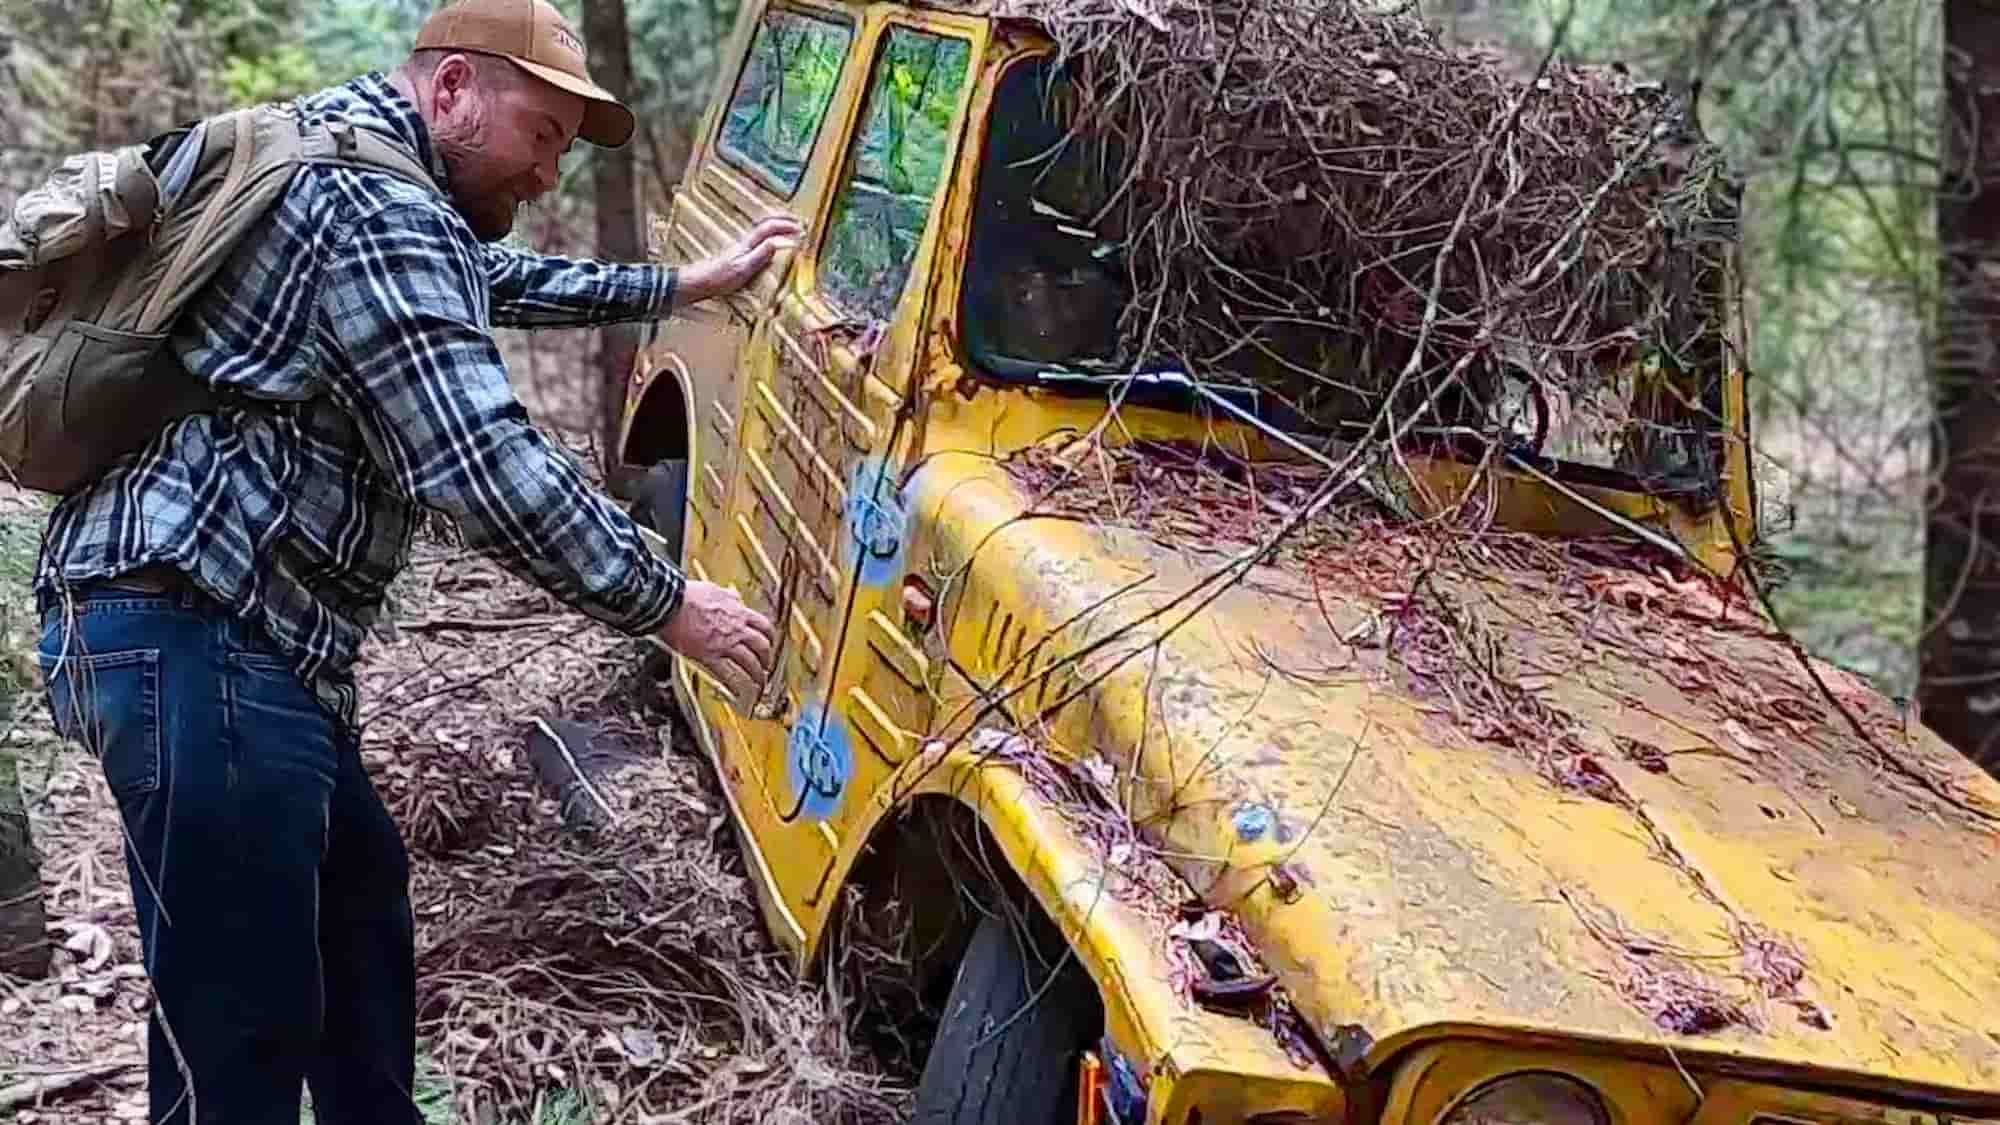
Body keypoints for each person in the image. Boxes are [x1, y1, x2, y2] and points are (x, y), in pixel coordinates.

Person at [32, 1, 797, 1121]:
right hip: (197, 633)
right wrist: (669, 600)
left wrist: (678, 287)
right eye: (540, 134)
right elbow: (480, 463)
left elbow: (491, 286)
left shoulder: (348, 165)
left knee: (357, 943)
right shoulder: (378, 208)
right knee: (236, 1037)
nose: (546, 173)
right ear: (451, 92)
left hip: (223, 637)